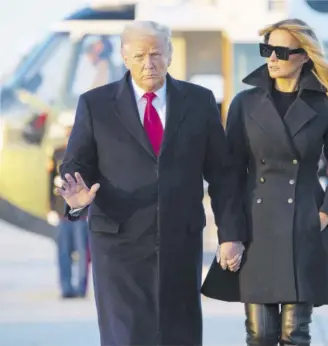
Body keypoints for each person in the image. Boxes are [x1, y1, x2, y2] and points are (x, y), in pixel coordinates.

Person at [55, 21, 246, 346]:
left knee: (178, 335)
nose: (149, 63)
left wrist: (231, 235)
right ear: (125, 57)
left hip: (179, 243)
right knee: (126, 336)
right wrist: (76, 200)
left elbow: (223, 174)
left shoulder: (199, 101)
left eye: (156, 53)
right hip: (118, 246)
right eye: (140, 55)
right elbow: (77, 164)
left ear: (169, 54)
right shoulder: (95, 104)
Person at [201, 19, 328, 346]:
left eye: (280, 51)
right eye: (266, 50)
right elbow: (229, 175)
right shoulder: (244, 104)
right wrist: (229, 235)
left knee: (294, 334)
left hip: (304, 228)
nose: (271, 58)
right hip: (255, 229)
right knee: (260, 334)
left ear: (304, 56)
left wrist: (324, 214)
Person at [49, 126, 89, 299]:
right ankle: (66, 287)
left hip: (80, 212)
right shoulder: (57, 152)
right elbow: (50, 181)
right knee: (63, 252)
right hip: (61, 211)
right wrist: (50, 207)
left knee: (82, 252)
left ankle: (81, 288)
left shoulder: (86, 154)